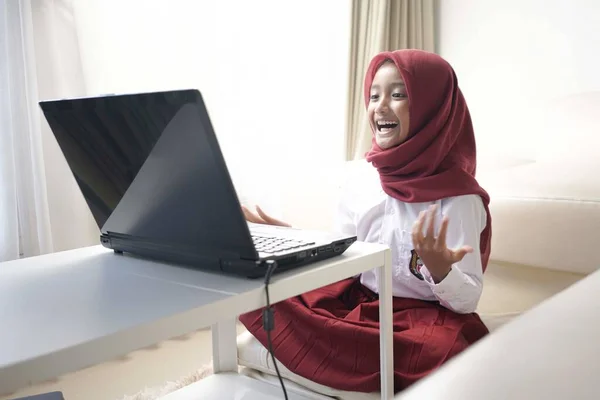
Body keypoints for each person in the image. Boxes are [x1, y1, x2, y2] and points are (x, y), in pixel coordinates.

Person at [240, 49, 492, 394]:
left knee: (445, 351)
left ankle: (326, 359)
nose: (380, 105)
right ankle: (338, 353)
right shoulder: (361, 177)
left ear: (433, 109)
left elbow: (466, 301)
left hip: (421, 317)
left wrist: (439, 269)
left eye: (399, 94)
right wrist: (297, 241)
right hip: (360, 302)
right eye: (374, 95)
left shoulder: (459, 197)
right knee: (267, 290)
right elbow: (344, 256)